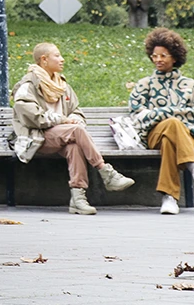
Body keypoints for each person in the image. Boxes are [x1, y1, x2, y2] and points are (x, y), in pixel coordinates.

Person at [11, 42, 134, 214]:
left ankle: (78, 199)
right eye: (57, 55)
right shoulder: (28, 85)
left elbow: (77, 111)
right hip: (37, 138)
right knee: (75, 132)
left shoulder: (62, 85)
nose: (62, 60)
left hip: (63, 136)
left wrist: (75, 120)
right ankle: (105, 171)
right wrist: (63, 120)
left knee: (74, 146)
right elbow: (32, 116)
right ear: (44, 60)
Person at [128, 27, 194, 214]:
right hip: (153, 135)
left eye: (163, 56)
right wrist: (173, 113)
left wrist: (159, 112)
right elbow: (137, 115)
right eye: (154, 56)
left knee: (170, 140)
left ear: (174, 57)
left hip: (187, 136)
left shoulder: (190, 85)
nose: (157, 60)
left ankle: (170, 198)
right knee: (172, 124)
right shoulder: (144, 84)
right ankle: (193, 165)